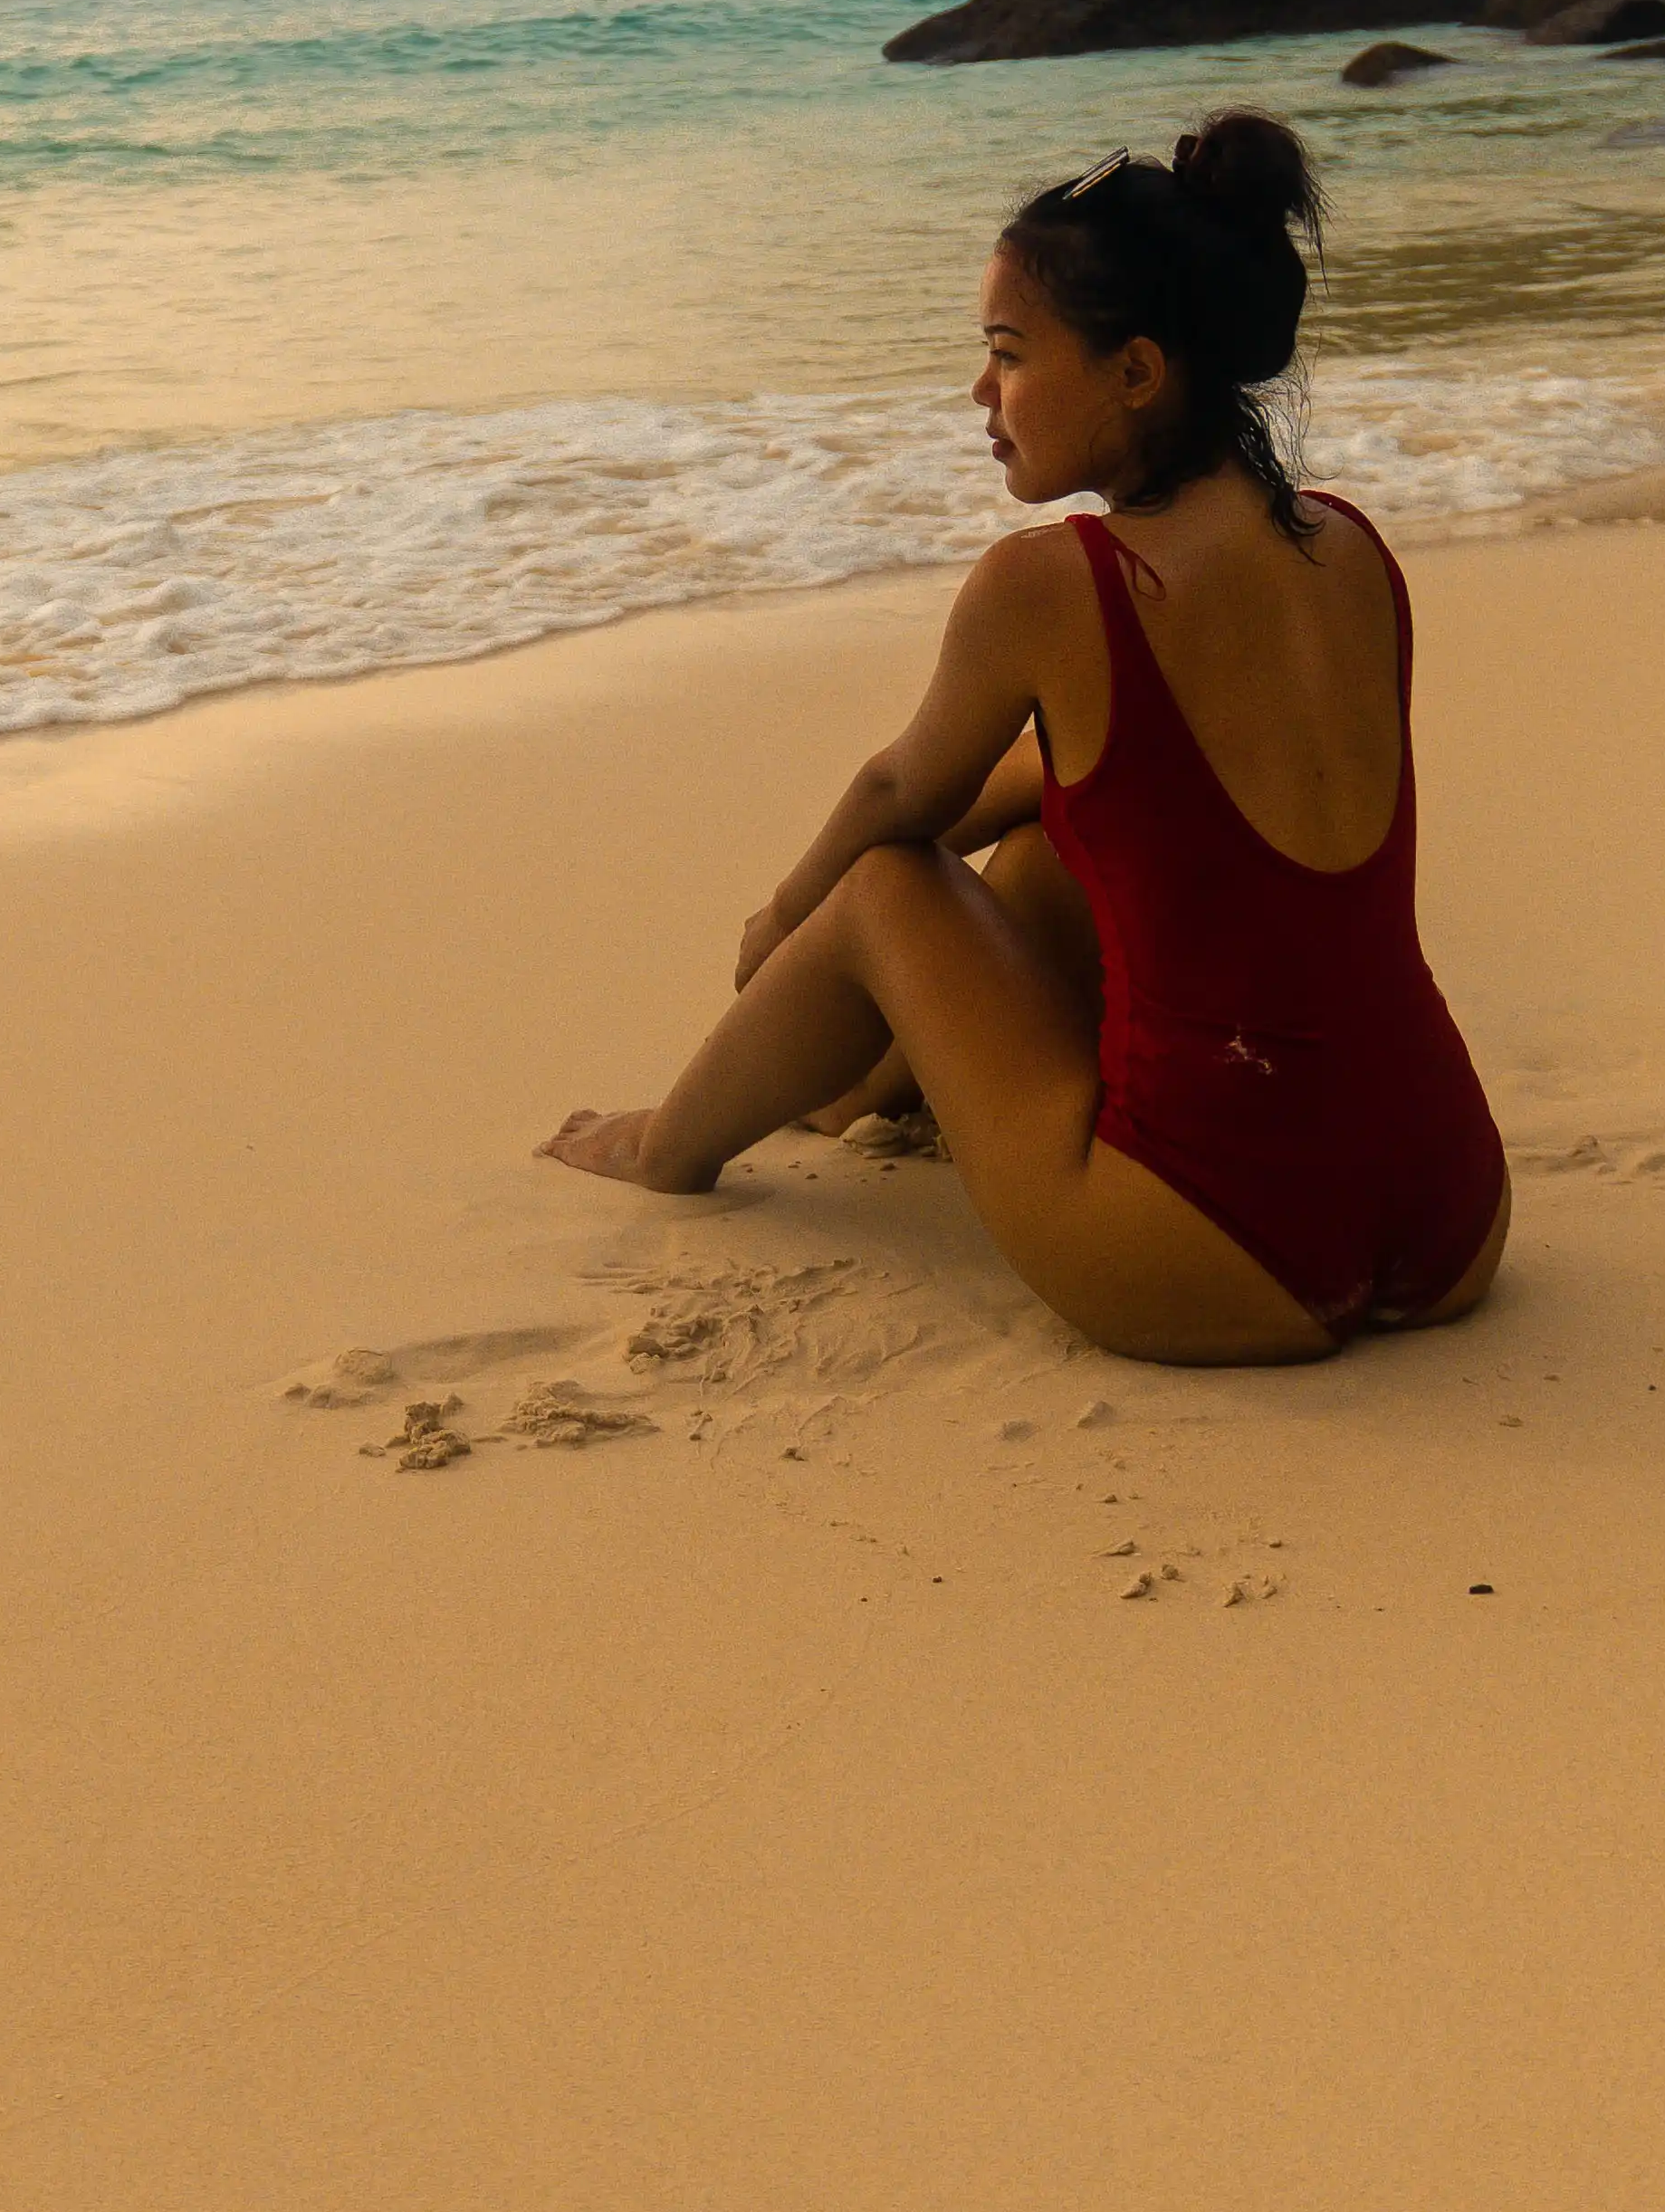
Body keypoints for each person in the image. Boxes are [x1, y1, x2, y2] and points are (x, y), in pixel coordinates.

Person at [540, 110, 1508, 1367]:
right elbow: (1129, 782)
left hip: (1221, 1236)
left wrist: (782, 924)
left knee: (883, 889)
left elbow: (896, 793)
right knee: (1063, 828)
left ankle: (666, 1144)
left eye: (1008, 353)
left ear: (1136, 372)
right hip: (1450, 1207)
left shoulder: (1058, 584)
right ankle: (868, 1087)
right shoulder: (1350, 550)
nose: (981, 394)